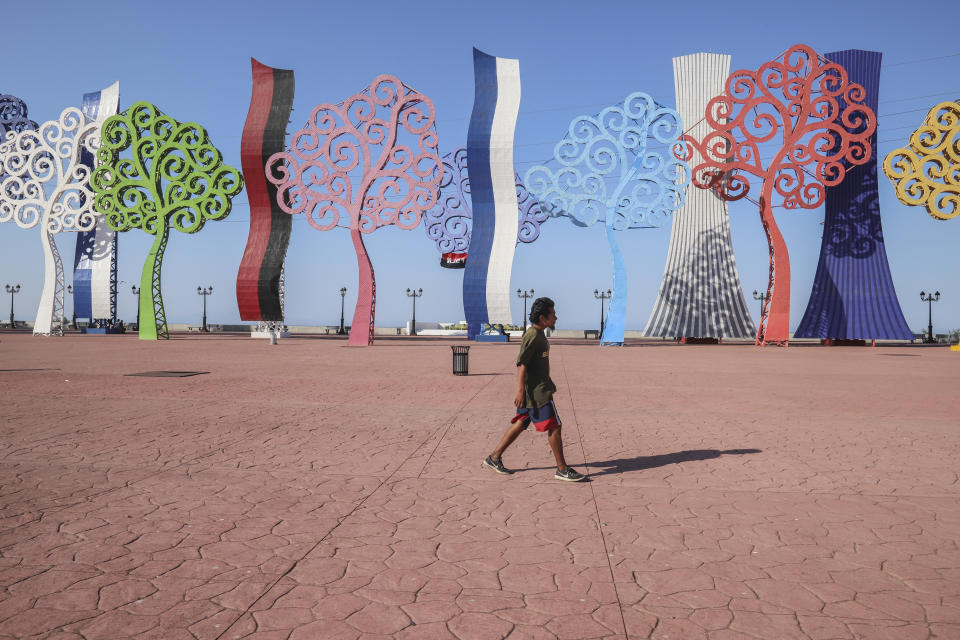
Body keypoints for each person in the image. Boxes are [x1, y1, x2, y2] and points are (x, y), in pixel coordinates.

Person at [483, 297, 586, 482]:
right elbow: (522, 364)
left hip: (537, 388)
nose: (556, 317)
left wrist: (547, 379)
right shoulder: (532, 335)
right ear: (542, 317)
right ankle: (562, 469)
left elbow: (535, 364)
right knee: (555, 426)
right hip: (536, 393)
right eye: (552, 315)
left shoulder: (539, 334)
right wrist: (520, 392)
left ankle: (494, 457)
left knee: (522, 423)